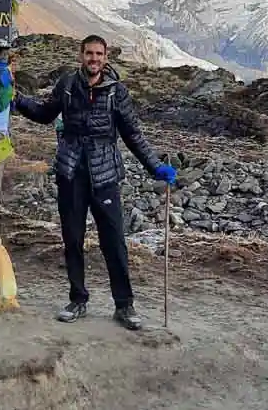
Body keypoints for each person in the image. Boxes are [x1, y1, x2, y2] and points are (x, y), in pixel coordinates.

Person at [13, 34, 177, 331]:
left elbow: (132, 134)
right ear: (81, 55)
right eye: (89, 53)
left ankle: (124, 305)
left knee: (113, 241)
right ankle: (77, 299)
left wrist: (155, 167)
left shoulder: (117, 91)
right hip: (71, 173)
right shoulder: (67, 84)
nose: (94, 59)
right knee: (73, 240)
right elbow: (45, 114)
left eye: (99, 54)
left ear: (105, 57)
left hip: (105, 175)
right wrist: (16, 100)